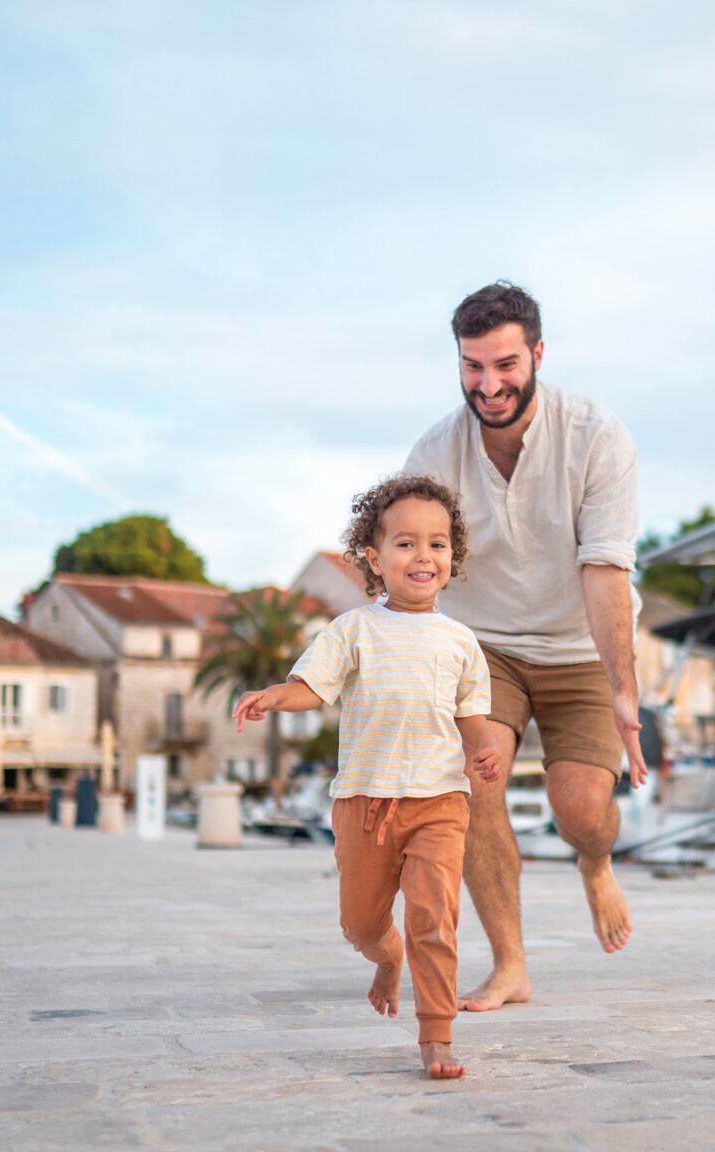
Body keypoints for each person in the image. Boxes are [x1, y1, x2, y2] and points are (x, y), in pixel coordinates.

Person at [403, 281, 648, 1013]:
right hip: (488, 649)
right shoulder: (433, 453)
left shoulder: (597, 436)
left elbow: (604, 571)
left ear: (537, 353)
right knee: (476, 781)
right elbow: (414, 570)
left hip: (580, 642)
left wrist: (624, 690)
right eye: (473, 366)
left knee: (580, 808)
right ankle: (511, 965)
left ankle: (595, 860)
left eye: (505, 364)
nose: (490, 384)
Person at [233, 475, 502, 1079]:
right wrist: (276, 695)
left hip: (439, 800)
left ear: (452, 558)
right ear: (375, 559)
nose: (423, 556)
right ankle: (386, 957)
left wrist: (484, 750)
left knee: (434, 914)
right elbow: (313, 687)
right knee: (359, 923)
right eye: (406, 544)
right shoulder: (354, 630)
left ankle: (436, 1035)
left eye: (437, 544)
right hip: (364, 803)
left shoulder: (461, 642)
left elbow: (472, 718)